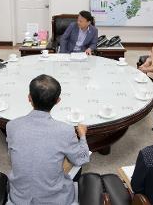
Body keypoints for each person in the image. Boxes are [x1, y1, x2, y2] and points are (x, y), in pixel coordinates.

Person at [6, 74, 90, 205]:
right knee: (75, 163)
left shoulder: (11, 126)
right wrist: (83, 135)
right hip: (56, 200)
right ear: (58, 101)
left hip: (19, 198)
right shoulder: (65, 130)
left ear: (29, 98)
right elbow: (82, 158)